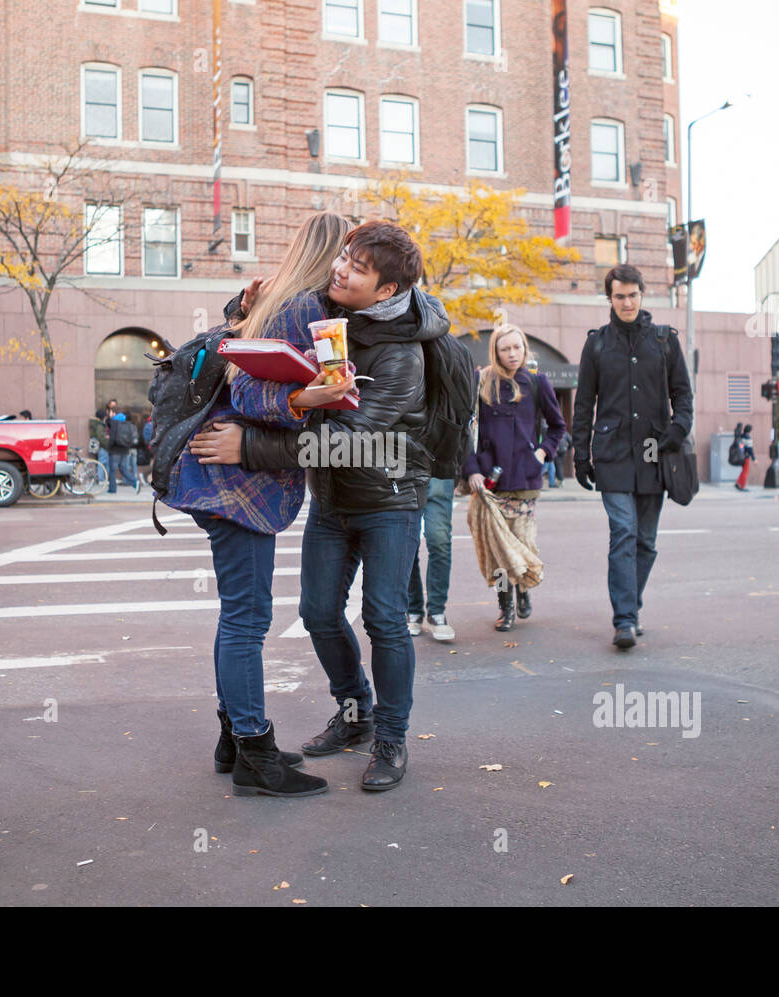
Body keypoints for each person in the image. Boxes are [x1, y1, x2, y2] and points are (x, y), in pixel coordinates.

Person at [191, 220, 450, 792]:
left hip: (389, 500)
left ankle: (391, 736)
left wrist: (249, 447)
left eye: (357, 267)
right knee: (317, 613)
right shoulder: (326, 316)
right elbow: (265, 347)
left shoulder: (402, 357)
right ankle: (353, 711)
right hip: (331, 499)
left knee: (384, 617)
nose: (341, 269)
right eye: (343, 257)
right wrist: (246, 304)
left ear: (385, 291)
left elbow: (348, 437)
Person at [166, 211, 354, 798]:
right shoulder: (304, 306)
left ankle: (235, 740)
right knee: (247, 618)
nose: (351, 268)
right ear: (330, 254)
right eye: (348, 256)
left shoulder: (279, 301)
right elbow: (250, 389)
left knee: (239, 615)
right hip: (237, 483)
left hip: (228, 477)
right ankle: (253, 748)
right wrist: (309, 396)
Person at [571, 264, 692, 649]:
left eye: (633, 295)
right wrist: (580, 454)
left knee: (646, 541)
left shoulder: (664, 341)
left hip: (655, 453)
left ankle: (632, 606)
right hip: (611, 455)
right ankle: (624, 619)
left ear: (643, 296)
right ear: (610, 298)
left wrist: (678, 429)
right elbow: (584, 403)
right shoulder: (597, 344)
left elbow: (683, 395)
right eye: (620, 296)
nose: (627, 302)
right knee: (623, 532)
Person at [463, 324, 567, 631]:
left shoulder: (537, 382)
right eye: (505, 349)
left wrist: (542, 454)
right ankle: (504, 606)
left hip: (525, 479)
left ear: (524, 349)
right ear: (495, 351)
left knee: (522, 544)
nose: (512, 354)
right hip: (490, 483)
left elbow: (558, 427)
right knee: (497, 549)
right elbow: (465, 430)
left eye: (517, 348)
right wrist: (471, 470)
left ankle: (522, 588)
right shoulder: (482, 382)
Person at [406, 477, 457, 642]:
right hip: (404, 471)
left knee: (439, 540)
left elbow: (463, 449)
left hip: (438, 471)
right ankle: (413, 609)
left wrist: (455, 467)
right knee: (405, 543)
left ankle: (436, 612)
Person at [105, 412, 142, 492]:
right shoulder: (128, 425)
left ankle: (112, 489)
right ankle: (135, 482)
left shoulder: (115, 424)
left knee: (112, 470)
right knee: (123, 469)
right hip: (125, 450)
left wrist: (109, 447)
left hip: (115, 450)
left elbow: (111, 437)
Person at [734, 422, 756, 491]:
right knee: (745, 471)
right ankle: (742, 486)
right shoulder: (748, 437)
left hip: (741, 456)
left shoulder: (741, 436)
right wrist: (754, 459)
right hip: (746, 457)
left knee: (743, 470)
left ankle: (738, 482)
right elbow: (750, 449)